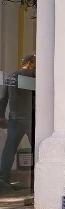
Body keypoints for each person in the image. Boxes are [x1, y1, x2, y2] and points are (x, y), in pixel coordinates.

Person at [0, 53, 36, 190]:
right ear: (29, 62)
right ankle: (36, 180)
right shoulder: (31, 76)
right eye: (35, 64)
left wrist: (1, 116)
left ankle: (4, 179)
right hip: (29, 118)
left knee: (9, 149)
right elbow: (34, 97)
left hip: (15, 118)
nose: (36, 67)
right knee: (37, 148)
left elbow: (3, 98)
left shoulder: (11, 77)